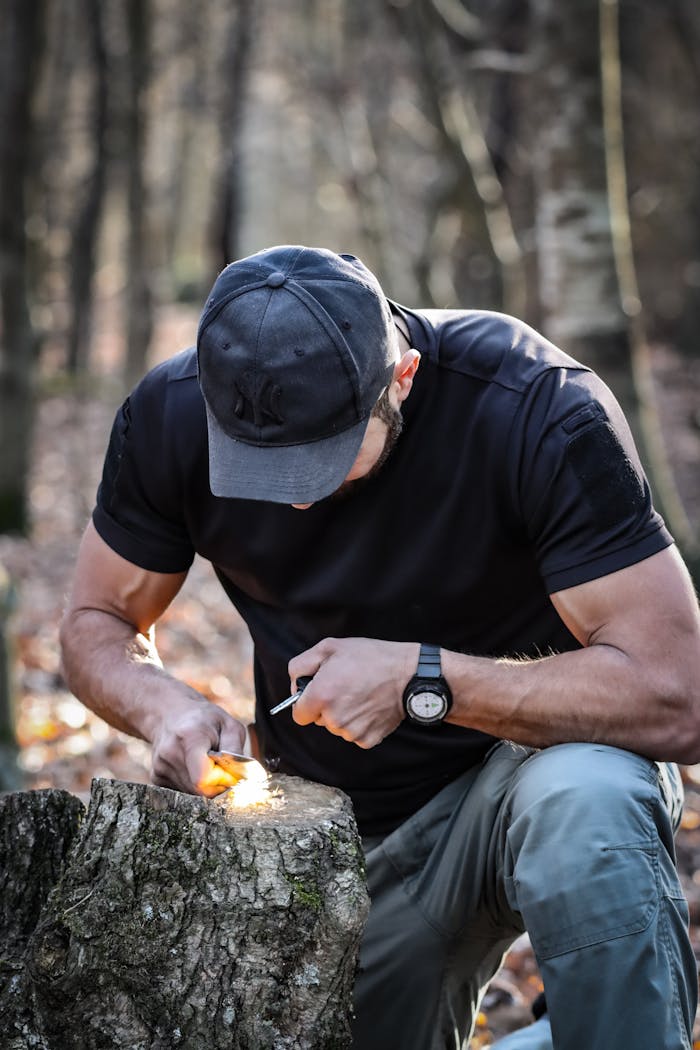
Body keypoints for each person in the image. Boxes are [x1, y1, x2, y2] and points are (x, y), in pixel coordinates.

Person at [60, 244, 700, 1050]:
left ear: (401, 379)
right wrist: (164, 707)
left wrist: (424, 680)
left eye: (321, 458)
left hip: (524, 776)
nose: (292, 497)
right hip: (341, 840)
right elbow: (95, 622)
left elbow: (678, 693)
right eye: (258, 466)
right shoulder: (171, 411)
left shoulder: (535, 405)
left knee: (589, 799)